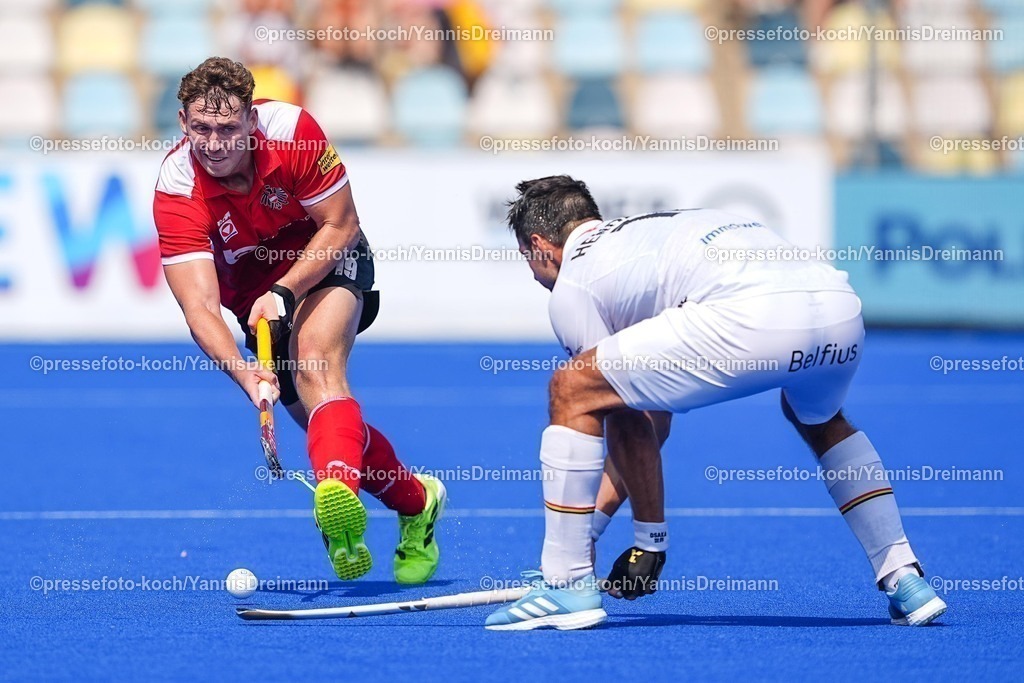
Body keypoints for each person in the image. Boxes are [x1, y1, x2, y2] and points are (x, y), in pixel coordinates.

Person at [485, 175, 945, 630]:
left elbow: (622, 417)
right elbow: (652, 418)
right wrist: (592, 534)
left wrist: (650, 543)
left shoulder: (575, 283)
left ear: (542, 246)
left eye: (527, 258)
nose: (532, 274)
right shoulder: (641, 239)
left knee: (573, 387)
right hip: (840, 309)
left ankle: (565, 583)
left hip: (755, 318)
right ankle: (904, 576)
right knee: (820, 419)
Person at [153, 57, 444, 584]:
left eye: (227, 128)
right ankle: (417, 502)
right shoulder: (176, 187)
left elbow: (341, 223)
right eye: (201, 129)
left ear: (251, 122)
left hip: (324, 258)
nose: (214, 143)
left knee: (316, 363)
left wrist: (283, 290)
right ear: (182, 122)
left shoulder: (293, 133)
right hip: (252, 302)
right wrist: (244, 373)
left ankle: (337, 507)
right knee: (319, 422)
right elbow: (199, 306)